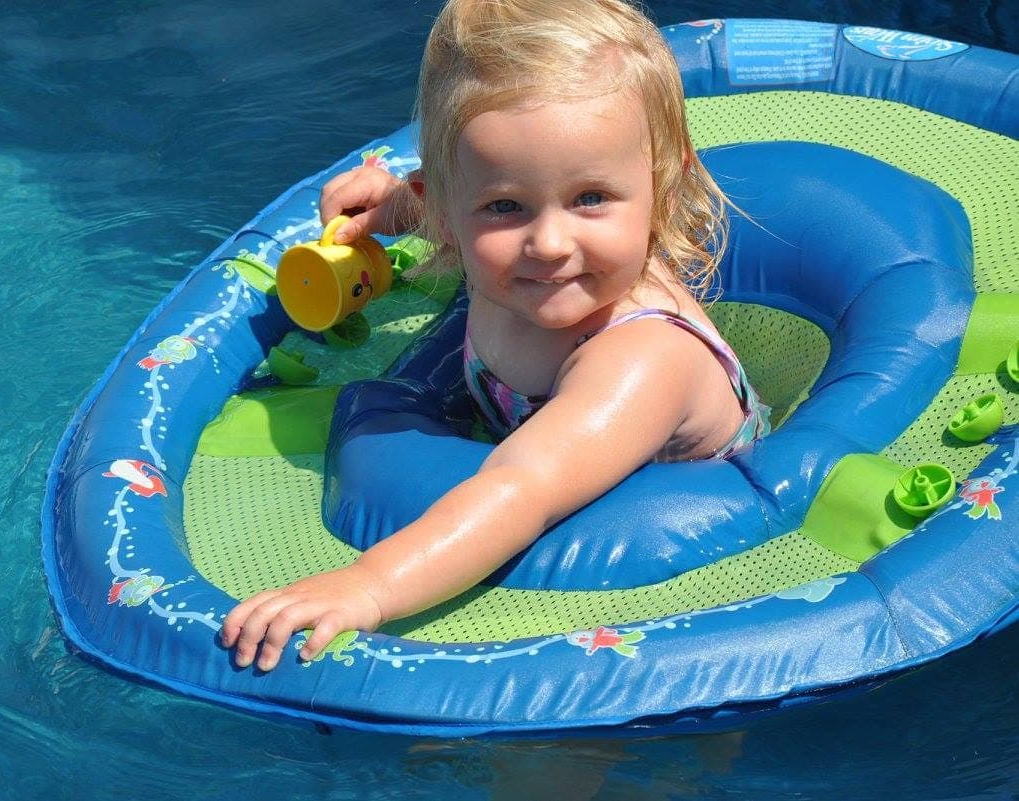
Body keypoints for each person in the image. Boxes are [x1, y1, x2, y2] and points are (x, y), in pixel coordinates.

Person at [221, 0, 770, 671]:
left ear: (663, 182)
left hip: (669, 583)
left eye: (591, 197)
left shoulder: (643, 358)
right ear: (449, 209)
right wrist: (392, 206)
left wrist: (369, 585)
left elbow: (522, 486)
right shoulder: (500, 250)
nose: (549, 242)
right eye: (504, 205)